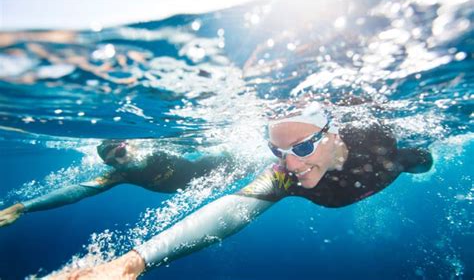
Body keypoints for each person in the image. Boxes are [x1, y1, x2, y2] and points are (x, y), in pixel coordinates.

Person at [49, 104, 433, 279]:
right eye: (278, 152)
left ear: (333, 136)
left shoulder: (379, 143)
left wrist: (417, 162)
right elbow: (233, 208)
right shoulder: (285, 177)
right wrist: (133, 262)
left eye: (302, 148)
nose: (291, 164)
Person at [0, 140, 230, 228]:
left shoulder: (163, 147)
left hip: (223, 167)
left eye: (120, 152)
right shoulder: (121, 175)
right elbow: (79, 191)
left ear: (130, 145)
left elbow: (210, 141)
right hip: (210, 186)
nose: (120, 161)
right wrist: (23, 207)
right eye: (112, 162)